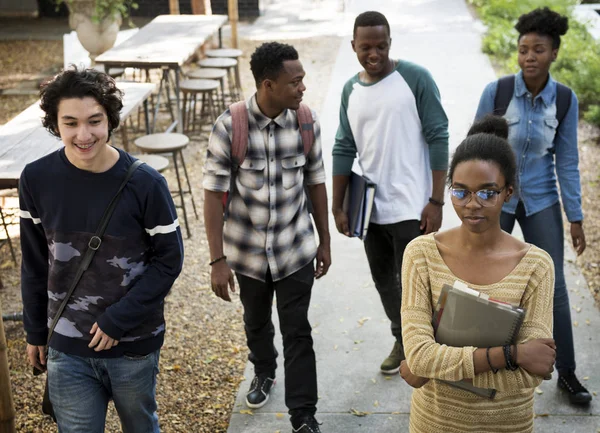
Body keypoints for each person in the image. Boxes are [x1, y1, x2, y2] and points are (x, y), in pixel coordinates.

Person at [20, 67, 184, 432]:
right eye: (70, 123)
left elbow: (170, 260)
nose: (83, 134)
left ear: (110, 119)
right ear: (54, 124)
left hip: (133, 343)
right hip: (66, 344)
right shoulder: (35, 179)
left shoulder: (146, 183)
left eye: (94, 121)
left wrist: (117, 320)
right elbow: (33, 264)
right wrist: (34, 330)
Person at [203, 42, 330, 433]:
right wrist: (217, 260)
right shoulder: (231, 126)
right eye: (296, 82)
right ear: (268, 84)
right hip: (248, 254)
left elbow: (316, 184)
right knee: (256, 322)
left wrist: (325, 242)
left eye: (304, 79)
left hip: (295, 251)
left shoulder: (306, 122)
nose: (303, 88)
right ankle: (263, 370)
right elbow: (212, 195)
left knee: (298, 331)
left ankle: (303, 415)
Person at [399, 115, 556, 433]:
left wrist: (437, 366)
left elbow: (531, 374)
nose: (472, 205)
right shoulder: (422, 255)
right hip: (435, 423)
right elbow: (419, 357)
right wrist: (513, 354)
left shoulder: (536, 266)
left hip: (507, 424)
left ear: (508, 192)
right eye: (460, 192)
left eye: (488, 193)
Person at [474, 7, 591, 405]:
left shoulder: (564, 99)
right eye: (523, 49)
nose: (528, 57)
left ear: (554, 53)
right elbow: (479, 149)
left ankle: (568, 372)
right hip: (499, 202)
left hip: (541, 198)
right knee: (491, 282)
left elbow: (568, 160)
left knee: (554, 285)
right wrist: (477, 200)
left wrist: (575, 217)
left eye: (537, 50)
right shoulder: (498, 92)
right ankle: (488, 366)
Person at [331, 10, 449, 374]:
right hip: (371, 210)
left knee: (417, 287)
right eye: (366, 47)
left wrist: (436, 200)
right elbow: (343, 147)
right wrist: (338, 207)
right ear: (353, 45)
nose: (374, 54)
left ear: (390, 43)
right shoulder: (351, 89)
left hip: (412, 207)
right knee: (384, 282)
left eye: (381, 45)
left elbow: (438, 136)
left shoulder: (415, 78)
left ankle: (427, 349)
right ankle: (403, 339)